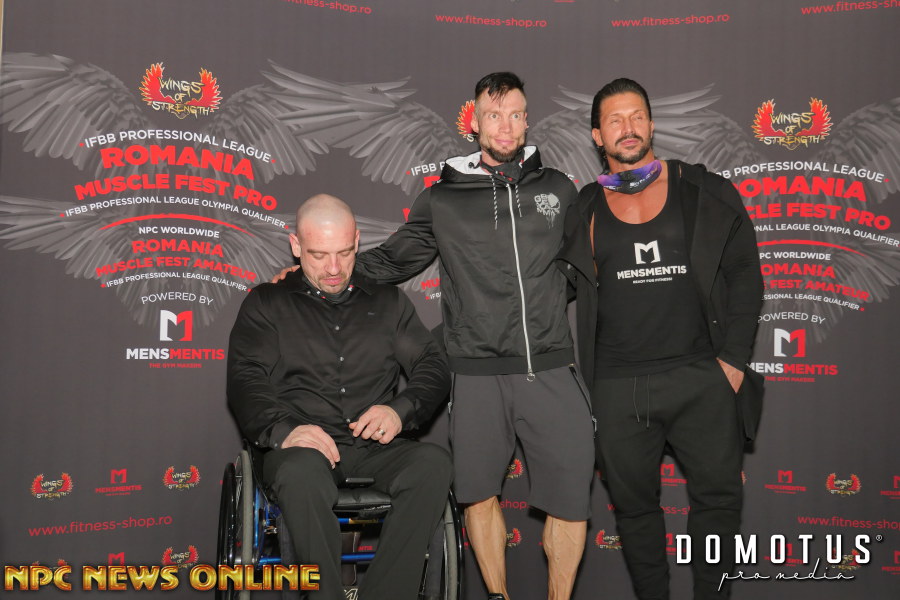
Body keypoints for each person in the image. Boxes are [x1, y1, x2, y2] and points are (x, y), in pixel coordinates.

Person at [275, 73, 596, 600]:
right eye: (494, 116)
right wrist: (315, 273)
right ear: (475, 123)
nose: (505, 126)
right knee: (477, 496)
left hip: (551, 365)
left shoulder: (559, 189)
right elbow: (393, 260)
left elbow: (581, 269)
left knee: (570, 503)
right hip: (475, 371)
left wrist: (539, 308)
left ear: (527, 120)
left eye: (515, 115)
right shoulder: (443, 198)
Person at [558, 78, 764, 600]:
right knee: (634, 513)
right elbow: (549, 286)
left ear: (650, 124)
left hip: (702, 377)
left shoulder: (703, 189)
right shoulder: (583, 208)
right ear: (597, 136)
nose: (627, 128)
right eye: (614, 121)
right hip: (618, 388)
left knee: (719, 504)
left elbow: (745, 271)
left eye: (636, 117)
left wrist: (733, 360)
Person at [227, 194, 452, 600]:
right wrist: (285, 430)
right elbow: (246, 378)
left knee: (432, 465)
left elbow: (432, 366)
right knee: (300, 474)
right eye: (319, 255)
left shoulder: (388, 302)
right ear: (296, 246)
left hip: (373, 447)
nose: (333, 268)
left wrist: (399, 411)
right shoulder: (267, 303)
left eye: (345, 253)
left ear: (357, 242)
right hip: (303, 449)